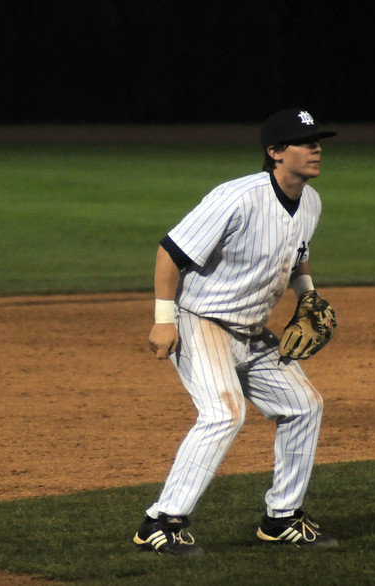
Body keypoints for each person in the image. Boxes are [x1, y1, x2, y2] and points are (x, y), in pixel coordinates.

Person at [132, 108, 339, 556]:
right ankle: (160, 523)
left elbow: (298, 256)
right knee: (224, 413)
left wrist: (308, 295)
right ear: (275, 153)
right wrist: (163, 318)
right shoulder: (237, 197)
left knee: (304, 406)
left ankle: (282, 518)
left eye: (317, 140)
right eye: (305, 142)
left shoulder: (312, 201)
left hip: (252, 330)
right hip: (199, 321)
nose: (316, 148)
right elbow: (170, 252)